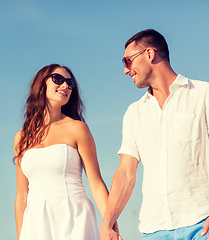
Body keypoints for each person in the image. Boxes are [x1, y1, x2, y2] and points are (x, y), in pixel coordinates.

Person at [100, 29, 209, 240]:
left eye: (127, 61)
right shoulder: (134, 113)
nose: (125, 71)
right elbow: (126, 173)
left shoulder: (204, 95)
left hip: (202, 224)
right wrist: (107, 224)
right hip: (154, 230)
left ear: (149, 54)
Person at [13, 64, 116, 240]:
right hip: (36, 224)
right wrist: (20, 236)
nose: (65, 86)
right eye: (58, 80)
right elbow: (22, 194)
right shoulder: (21, 137)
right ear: (41, 84)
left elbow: (96, 183)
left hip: (73, 218)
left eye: (70, 83)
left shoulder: (77, 129)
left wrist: (111, 227)